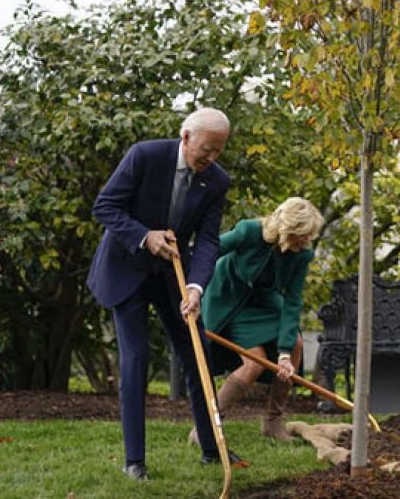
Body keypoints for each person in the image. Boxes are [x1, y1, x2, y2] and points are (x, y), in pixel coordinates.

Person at [87, 107, 234, 481]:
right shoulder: (145, 155)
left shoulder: (216, 181)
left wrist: (198, 286)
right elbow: (104, 206)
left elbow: (209, 240)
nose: (212, 159)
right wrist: (144, 235)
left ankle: (212, 448)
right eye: (207, 149)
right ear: (185, 137)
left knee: (195, 352)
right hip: (127, 268)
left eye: (219, 151)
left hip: (174, 275)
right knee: (135, 360)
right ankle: (134, 460)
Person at [197, 197, 324, 442]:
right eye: (304, 234)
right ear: (288, 230)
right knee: (254, 364)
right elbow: (210, 252)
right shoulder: (250, 232)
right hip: (228, 301)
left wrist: (284, 354)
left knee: (295, 344)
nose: (308, 240)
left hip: (263, 304)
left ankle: (273, 423)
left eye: (311, 234)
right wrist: (193, 287)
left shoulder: (301, 255)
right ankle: (207, 427)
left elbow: (292, 301)